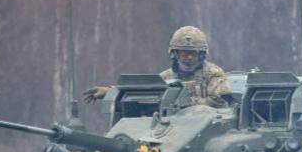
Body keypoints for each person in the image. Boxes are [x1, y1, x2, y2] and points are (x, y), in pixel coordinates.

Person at [82, 26, 230, 108]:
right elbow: (144, 93)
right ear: (175, 54)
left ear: (201, 55)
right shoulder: (166, 77)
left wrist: (189, 102)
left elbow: (220, 101)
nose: (189, 58)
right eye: (184, 53)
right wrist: (110, 92)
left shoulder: (214, 74)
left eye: (193, 53)